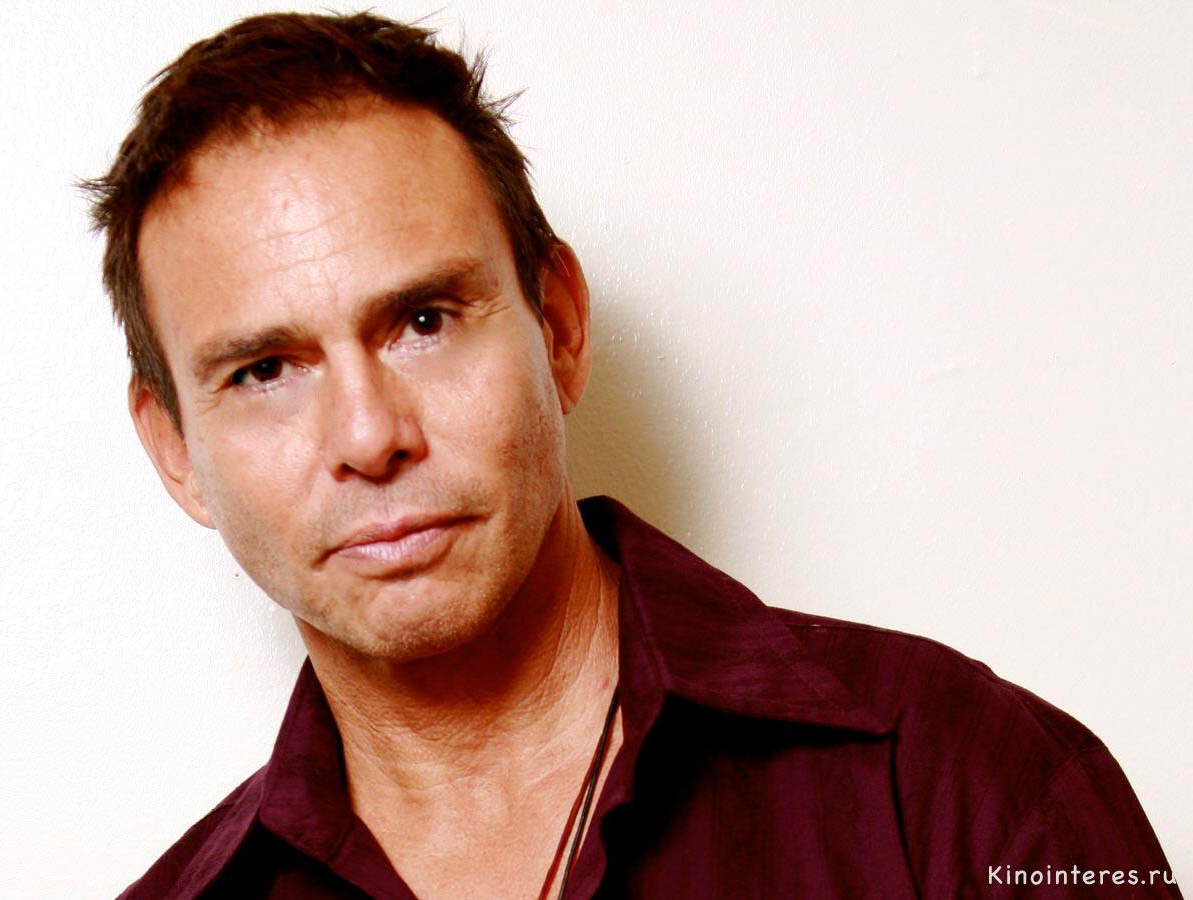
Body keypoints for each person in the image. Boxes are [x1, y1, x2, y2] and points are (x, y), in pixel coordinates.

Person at [85, 11, 1179, 899]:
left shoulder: (962, 778)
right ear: (175, 449)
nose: (370, 437)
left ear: (558, 326)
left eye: (423, 321)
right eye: (263, 371)